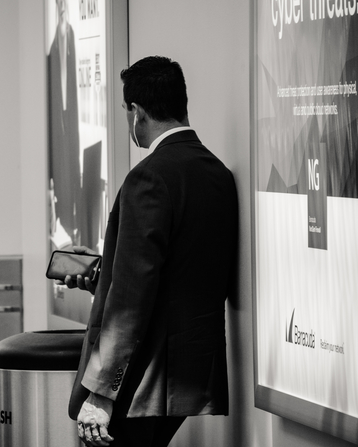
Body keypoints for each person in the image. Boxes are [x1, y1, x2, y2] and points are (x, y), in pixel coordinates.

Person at [62, 56, 238, 446]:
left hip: (141, 382)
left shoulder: (149, 177)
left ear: (137, 112)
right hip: (188, 377)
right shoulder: (218, 174)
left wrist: (101, 393)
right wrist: (100, 276)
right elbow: (180, 271)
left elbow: (130, 300)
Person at [48, 0, 82, 246]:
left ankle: (71, 223)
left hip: (67, 120)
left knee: (69, 164)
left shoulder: (68, 34)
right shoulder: (57, 37)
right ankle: (64, 221)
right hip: (58, 120)